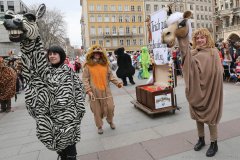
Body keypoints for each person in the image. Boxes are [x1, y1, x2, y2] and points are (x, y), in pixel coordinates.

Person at [177, 28, 223, 157]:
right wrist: (182, 36)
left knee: (211, 117)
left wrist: (212, 88)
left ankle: (214, 143)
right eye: (197, 38)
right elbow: (187, 64)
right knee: (198, 116)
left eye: (202, 37)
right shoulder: (192, 52)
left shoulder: (213, 52)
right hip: (196, 90)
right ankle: (201, 139)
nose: (199, 40)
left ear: (207, 38)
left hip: (211, 90)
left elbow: (218, 73)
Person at [82, 44, 123, 134]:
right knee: (97, 111)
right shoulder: (88, 65)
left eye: (99, 53)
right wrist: (88, 90)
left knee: (110, 108)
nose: (97, 54)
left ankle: (110, 120)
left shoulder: (105, 65)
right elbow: (85, 79)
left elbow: (111, 76)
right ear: (92, 54)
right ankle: (99, 126)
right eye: (95, 52)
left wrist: (118, 83)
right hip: (94, 93)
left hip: (106, 91)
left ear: (101, 54)